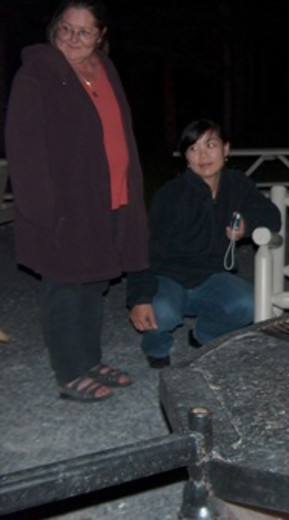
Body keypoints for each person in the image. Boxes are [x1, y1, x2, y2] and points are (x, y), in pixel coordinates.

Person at [5, 0, 148, 402]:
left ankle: (89, 359)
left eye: (84, 31)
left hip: (109, 196)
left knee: (93, 282)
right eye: (66, 28)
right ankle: (69, 371)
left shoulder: (105, 68)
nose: (72, 38)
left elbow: (121, 130)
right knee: (66, 286)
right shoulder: (37, 74)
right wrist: (46, 213)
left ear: (100, 35)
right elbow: (24, 149)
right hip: (67, 207)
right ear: (55, 28)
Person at [127, 119, 281, 368]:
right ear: (185, 156)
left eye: (211, 145)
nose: (203, 155)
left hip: (212, 277)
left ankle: (204, 335)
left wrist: (246, 226)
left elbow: (271, 216)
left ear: (226, 149)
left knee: (251, 304)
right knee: (162, 312)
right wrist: (139, 297)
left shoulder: (237, 184)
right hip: (168, 277)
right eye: (193, 148)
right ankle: (156, 347)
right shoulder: (170, 195)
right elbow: (144, 249)